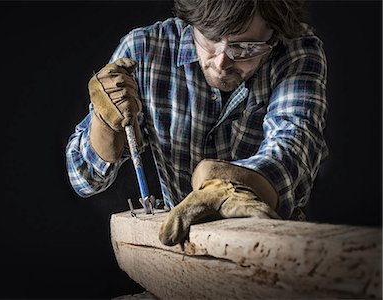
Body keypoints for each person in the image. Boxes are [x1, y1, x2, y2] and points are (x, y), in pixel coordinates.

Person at [66, 0, 328, 246]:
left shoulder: (296, 51)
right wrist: (105, 126)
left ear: (274, 34)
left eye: (245, 47)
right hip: (181, 246)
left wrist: (235, 184)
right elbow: (83, 179)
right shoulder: (143, 51)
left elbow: (294, 145)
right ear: (192, 21)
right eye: (211, 38)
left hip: (269, 244)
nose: (221, 61)